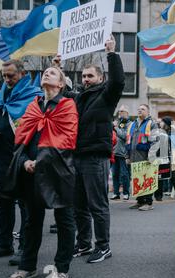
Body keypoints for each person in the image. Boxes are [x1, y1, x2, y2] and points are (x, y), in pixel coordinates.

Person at [53, 35, 125, 263]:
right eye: (83, 76)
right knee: (79, 206)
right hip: (77, 158)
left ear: (100, 78)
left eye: (90, 76)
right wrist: (58, 68)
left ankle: (103, 246)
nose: (85, 79)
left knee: (97, 205)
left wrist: (111, 53)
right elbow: (60, 92)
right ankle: (83, 244)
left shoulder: (106, 95)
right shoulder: (78, 98)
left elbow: (118, 81)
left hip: (95, 158)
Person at [5, 66, 78, 278]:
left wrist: (41, 161)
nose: (47, 74)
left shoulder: (67, 105)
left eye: (53, 73)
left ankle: (61, 269)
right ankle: (27, 267)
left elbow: (67, 139)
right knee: (31, 221)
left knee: (64, 221)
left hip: (60, 172)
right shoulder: (33, 106)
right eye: (45, 72)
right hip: (32, 172)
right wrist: (25, 160)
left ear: (61, 84)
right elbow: (21, 138)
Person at [0, 60, 42, 265]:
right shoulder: (0, 95)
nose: (7, 79)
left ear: (22, 74)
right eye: (4, 76)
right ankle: (4, 243)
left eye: (11, 76)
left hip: (21, 157)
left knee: (25, 204)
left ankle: (24, 246)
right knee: (4, 202)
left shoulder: (33, 95)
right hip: (0, 156)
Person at [126, 104, 158, 211]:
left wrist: (151, 156)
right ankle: (140, 202)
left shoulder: (152, 124)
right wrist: (127, 156)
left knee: (147, 179)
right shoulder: (133, 124)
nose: (140, 110)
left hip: (146, 157)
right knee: (137, 179)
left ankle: (149, 203)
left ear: (148, 112)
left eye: (143, 109)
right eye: (138, 109)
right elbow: (128, 141)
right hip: (134, 157)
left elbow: (155, 142)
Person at [152, 117, 175, 203]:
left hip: (170, 157)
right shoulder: (159, 131)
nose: (160, 123)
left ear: (166, 123)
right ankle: (158, 196)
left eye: (162, 122)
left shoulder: (173, 133)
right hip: (160, 156)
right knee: (159, 176)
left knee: (173, 177)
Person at [111, 105, 130, 201]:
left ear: (127, 113)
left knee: (124, 174)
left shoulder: (129, 124)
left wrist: (115, 127)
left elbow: (125, 136)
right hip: (115, 152)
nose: (120, 113)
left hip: (123, 153)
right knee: (115, 174)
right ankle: (116, 193)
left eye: (122, 111)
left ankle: (126, 193)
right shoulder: (117, 123)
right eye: (119, 111)